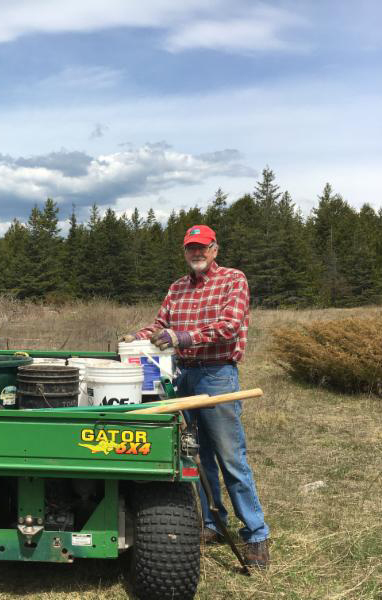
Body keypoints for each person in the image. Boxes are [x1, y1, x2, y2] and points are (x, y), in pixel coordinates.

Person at [121, 224, 270, 569]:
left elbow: (230, 326)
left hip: (217, 375)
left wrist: (183, 337)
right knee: (195, 454)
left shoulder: (233, 280)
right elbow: (160, 327)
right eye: (191, 248)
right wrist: (135, 336)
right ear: (185, 252)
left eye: (203, 247)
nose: (197, 253)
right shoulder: (177, 288)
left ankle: (256, 535)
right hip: (181, 375)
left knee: (230, 457)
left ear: (215, 249)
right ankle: (211, 524)